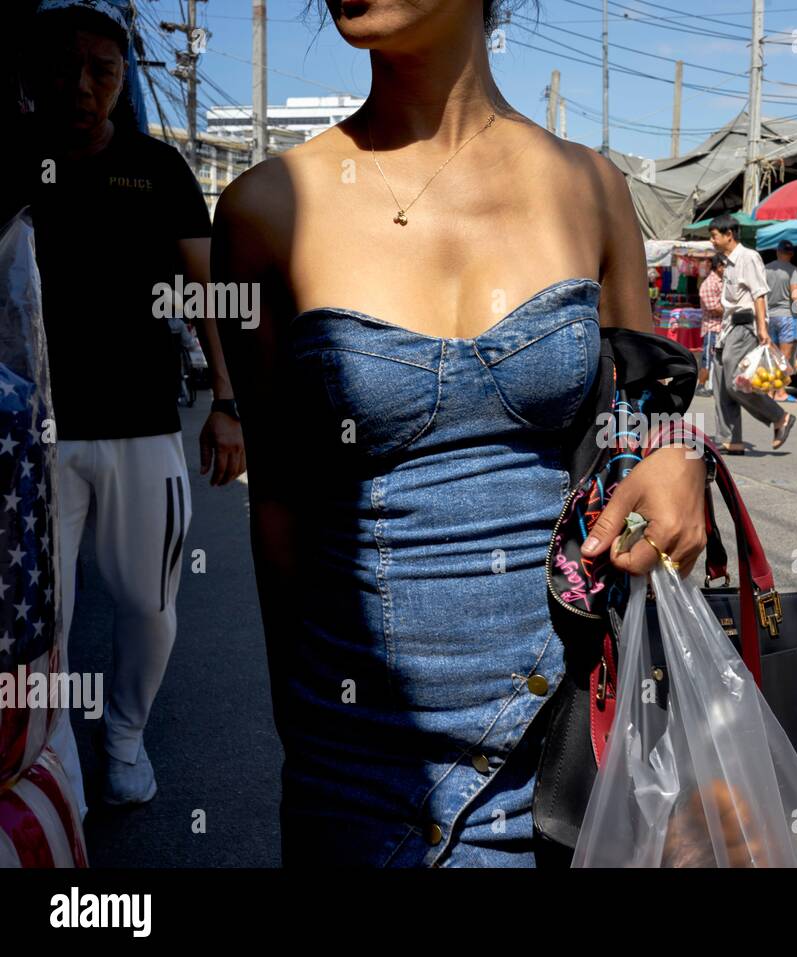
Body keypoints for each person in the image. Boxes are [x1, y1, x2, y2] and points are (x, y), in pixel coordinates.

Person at [211, 0, 707, 867]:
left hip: (568, 743)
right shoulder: (263, 209)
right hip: (354, 758)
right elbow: (279, 502)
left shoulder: (592, 187)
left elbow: (655, 408)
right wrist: (305, 729)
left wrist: (680, 456)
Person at [3, 0, 245, 816]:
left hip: (145, 427)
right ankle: (56, 753)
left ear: (121, 80)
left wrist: (227, 401)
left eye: (102, 71)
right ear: (36, 79)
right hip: (37, 438)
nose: (82, 86)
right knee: (47, 614)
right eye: (64, 69)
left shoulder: (161, 170)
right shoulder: (12, 161)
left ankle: (126, 737)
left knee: (150, 603)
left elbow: (208, 294)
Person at [708, 214, 796, 454]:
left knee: (736, 382)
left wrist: (763, 329)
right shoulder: (728, 263)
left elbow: (759, 294)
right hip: (728, 328)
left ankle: (780, 417)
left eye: (714, 235)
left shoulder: (749, 257)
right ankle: (730, 439)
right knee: (720, 381)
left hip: (745, 326)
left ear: (729, 235)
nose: (712, 240)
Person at [764, 239, 797, 402]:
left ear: (777, 252)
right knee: (784, 357)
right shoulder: (793, 270)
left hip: (769, 316)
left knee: (771, 355)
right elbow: (795, 295)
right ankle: (780, 392)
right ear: (791, 254)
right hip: (786, 316)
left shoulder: (765, 268)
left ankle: (768, 390)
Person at [696, 254, 725, 396]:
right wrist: (732, 310)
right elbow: (714, 308)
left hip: (721, 328)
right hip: (712, 328)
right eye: (725, 266)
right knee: (708, 359)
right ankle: (701, 385)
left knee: (718, 360)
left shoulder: (721, 281)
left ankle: (714, 386)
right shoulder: (709, 284)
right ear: (719, 267)